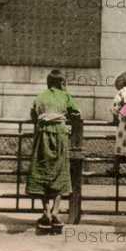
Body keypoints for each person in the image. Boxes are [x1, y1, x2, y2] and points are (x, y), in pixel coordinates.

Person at [26, 69, 80, 232]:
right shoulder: (66, 96)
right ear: (61, 83)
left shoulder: (40, 97)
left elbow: (33, 115)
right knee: (60, 172)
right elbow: (76, 113)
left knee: (42, 171)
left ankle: (46, 212)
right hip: (60, 137)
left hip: (43, 136)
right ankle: (56, 212)